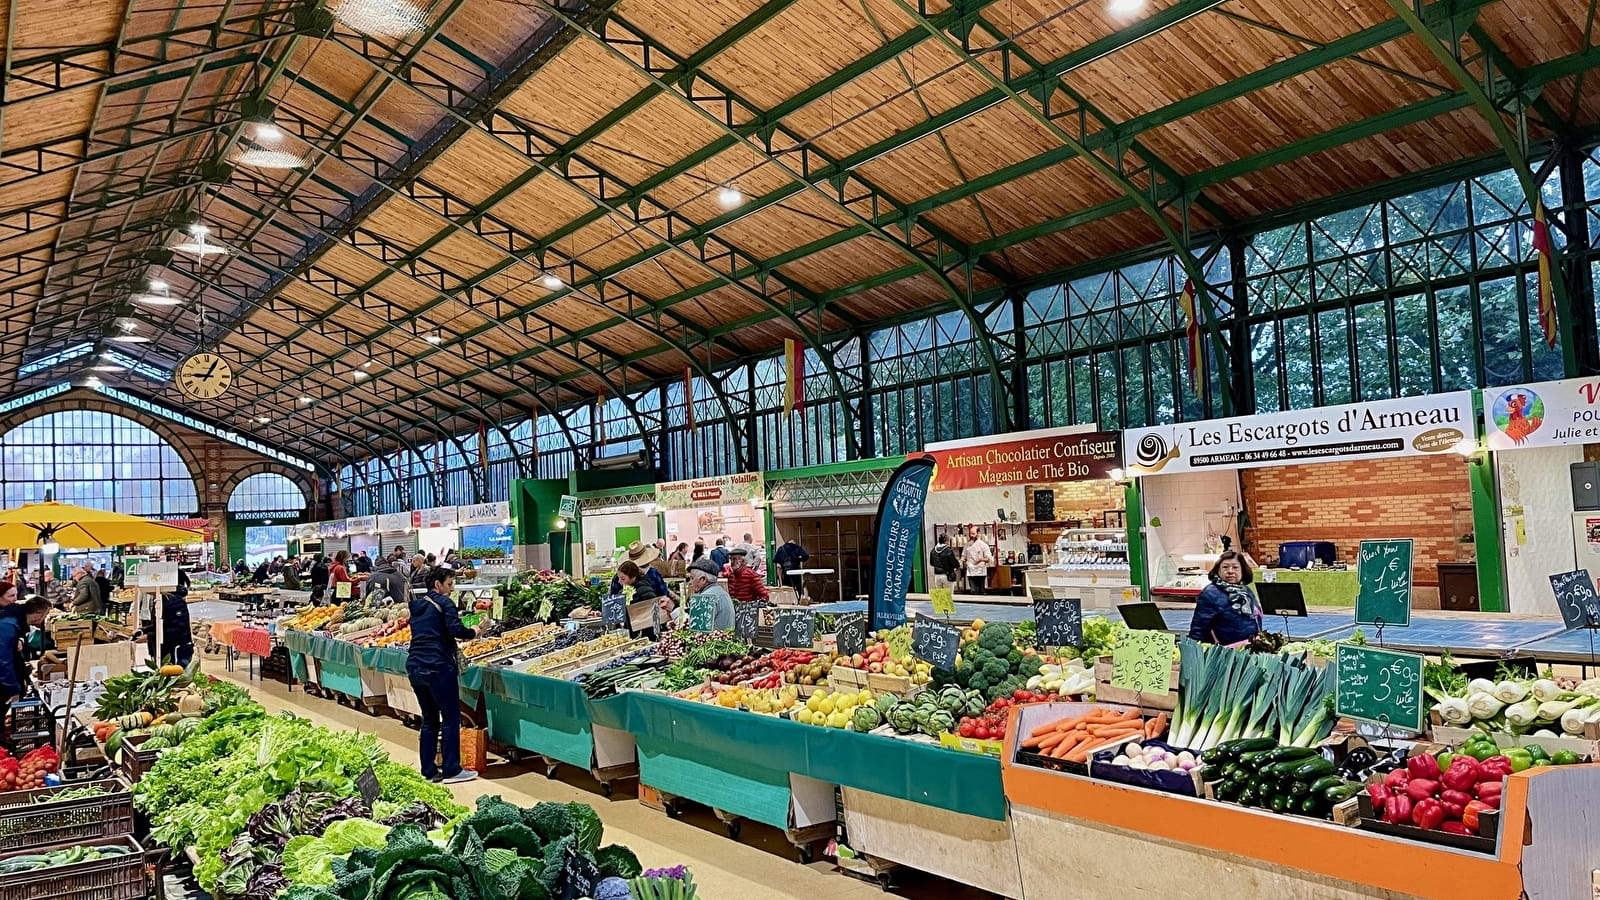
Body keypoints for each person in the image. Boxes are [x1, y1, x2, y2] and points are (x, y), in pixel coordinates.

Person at [405, 566, 478, 784]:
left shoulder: (417, 606)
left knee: (429, 719)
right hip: (438, 666)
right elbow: (456, 630)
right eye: (449, 584)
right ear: (437, 584)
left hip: (415, 666)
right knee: (450, 718)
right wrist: (474, 632)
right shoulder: (444, 602)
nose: (451, 589)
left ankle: (428, 771)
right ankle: (452, 769)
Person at [0, 596, 50, 749]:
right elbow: (3, 661)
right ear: (37, 614)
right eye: (45, 615)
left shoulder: (13, 619)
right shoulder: (9, 625)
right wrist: (12, 689)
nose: (44, 619)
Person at [1189, 550, 1263, 646]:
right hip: (1225, 652)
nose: (1230, 571)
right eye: (1225, 567)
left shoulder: (1245, 590)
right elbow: (1199, 626)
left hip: (1249, 647)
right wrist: (1191, 648)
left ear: (1242, 570)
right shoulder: (1210, 593)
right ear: (1218, 570)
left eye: (1235, 567)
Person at [140, 570, 194, 667]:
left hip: (176, 653)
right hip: (166, 651)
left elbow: (177, 630)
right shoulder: (162, 599)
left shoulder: (175, 601)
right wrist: (144, 630)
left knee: (175, 678)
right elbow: (162, 623)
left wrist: (150, 636)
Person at [684, 559, 734, 630]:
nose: (690, 582)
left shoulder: (705, 598)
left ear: (703, 580)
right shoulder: (722, 592)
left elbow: (697, 631)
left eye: (692, 578)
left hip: (715, 640)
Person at [615, 560, 659, 637]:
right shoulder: (622, 592)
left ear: (633, 577)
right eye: (619, 578)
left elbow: (655, 613)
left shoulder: (645, 590)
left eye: (623, 579)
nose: (619, 582)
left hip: (645, 635)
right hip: (629, 634)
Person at [961, 525, 994, 595]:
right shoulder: (967, 545)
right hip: (970, 571)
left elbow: (988, 559)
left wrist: (980, 559)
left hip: (981, 571)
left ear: (978, 534)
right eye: (970, 533)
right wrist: (962, 561)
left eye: (973, 534)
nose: (971, 535)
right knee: (973, 592)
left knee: (981, 591)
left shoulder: (983, 545)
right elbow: (963, 556)